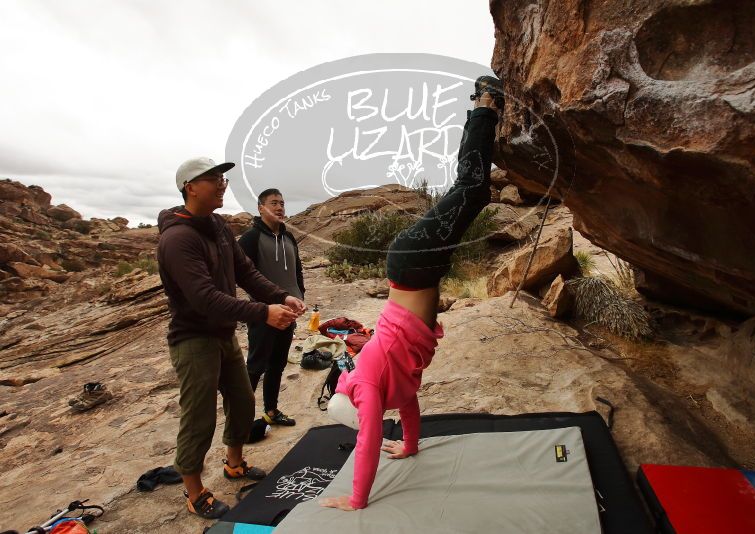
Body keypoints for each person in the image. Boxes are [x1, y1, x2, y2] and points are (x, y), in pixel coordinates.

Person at [320, 77, 502, 511]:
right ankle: (479, 109)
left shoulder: (366, 386)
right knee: (470, 192)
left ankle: (485, 104)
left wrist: (357, 499)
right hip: (417, 269)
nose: (370, 420)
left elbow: (366, 444)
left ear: (360, 403)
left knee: (472, 190)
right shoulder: (391, 391)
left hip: (411, 264)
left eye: (367, 416)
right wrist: (410, 446)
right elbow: (410, 409)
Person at [157, 157, 306, 519]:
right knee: (200, 415)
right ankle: (194, 492)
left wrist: (278, 296)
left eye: (223, 178)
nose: (222, 183)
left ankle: (234, 464)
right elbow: (204, 298)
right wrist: (262, 313)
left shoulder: (219, 227)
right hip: (193, 339)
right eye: (213, 179)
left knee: (241, 401)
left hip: (223, 335)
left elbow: (245, 272)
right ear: (190, 187)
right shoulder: (178, 239)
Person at [238, 189, 305, 433]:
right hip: (263, 314)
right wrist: (261, 308)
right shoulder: (250, 239)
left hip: (289, 312)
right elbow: (244, 277)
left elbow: (297, 271)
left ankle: (272, 411)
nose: (280, 208)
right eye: (274, 203)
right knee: (255, 367)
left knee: (277, 364)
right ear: (260, 208)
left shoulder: (289, 238)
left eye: (282, 203)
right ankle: (241, 423)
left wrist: (299, 297)